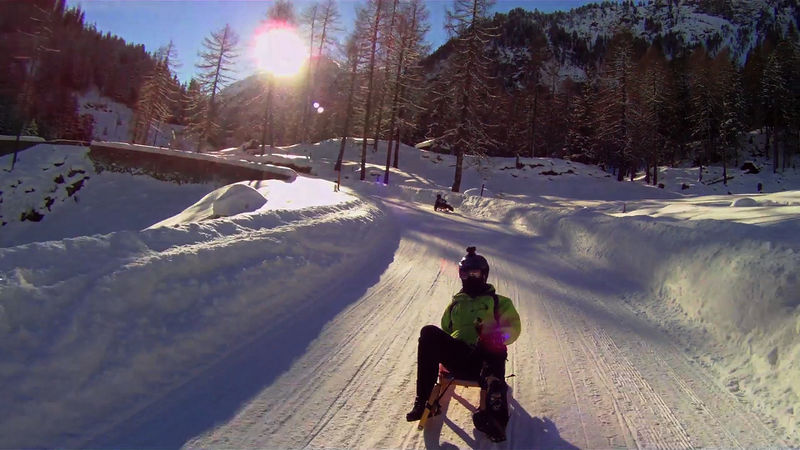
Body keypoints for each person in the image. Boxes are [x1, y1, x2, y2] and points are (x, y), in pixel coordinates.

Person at [406, 246, 521, 442]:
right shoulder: (455, 304)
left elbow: (514, 328)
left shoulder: (499, 301)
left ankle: (496, 415)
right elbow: (445, 329)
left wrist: (496, 337)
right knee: (428, 332)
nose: (471, 277)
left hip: (486, 356)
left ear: (483, 275)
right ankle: (423, 400)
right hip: (461, 357)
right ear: (461, 275)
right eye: (466, 274)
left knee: (492, 341)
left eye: (475, 273)